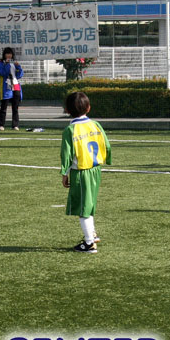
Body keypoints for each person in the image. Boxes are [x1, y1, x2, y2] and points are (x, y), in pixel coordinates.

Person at [61, 92, 111, 253]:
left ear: (67, 110)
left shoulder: (70, 130)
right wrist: (107, 158)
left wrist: (64, 173)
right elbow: (106, 144)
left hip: (81, 172)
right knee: (89, 203)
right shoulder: (95, 124)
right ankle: (92, 234)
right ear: (88, 108)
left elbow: (67, 154)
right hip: (95, 170)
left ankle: (89, 243)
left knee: (83, 208)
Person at [0, 47, 23, 131]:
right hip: (6, 86)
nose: (9, 55)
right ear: (4, 55)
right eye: (7, 54)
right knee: (4, 106)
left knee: (15, 107)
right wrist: (7, 64)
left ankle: (15, 125)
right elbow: (3, 73)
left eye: (10, 54)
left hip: (15, 85)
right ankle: (1, 125)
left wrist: (18, 67)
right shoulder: (1, 63)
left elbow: (20, 75)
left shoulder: (14, 63)